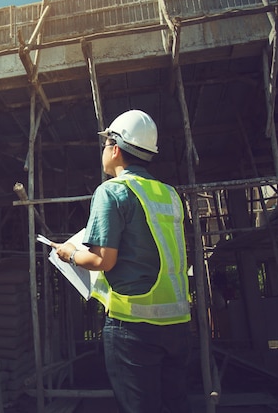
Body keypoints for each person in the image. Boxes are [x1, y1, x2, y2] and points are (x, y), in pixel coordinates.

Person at [50, 109, 192, 413]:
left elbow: (103, 259)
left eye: (105, 144)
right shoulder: (169, 194)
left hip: (133, 326)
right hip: (178, 323)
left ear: (116, 148)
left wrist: (69, 254)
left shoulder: (112, 191)